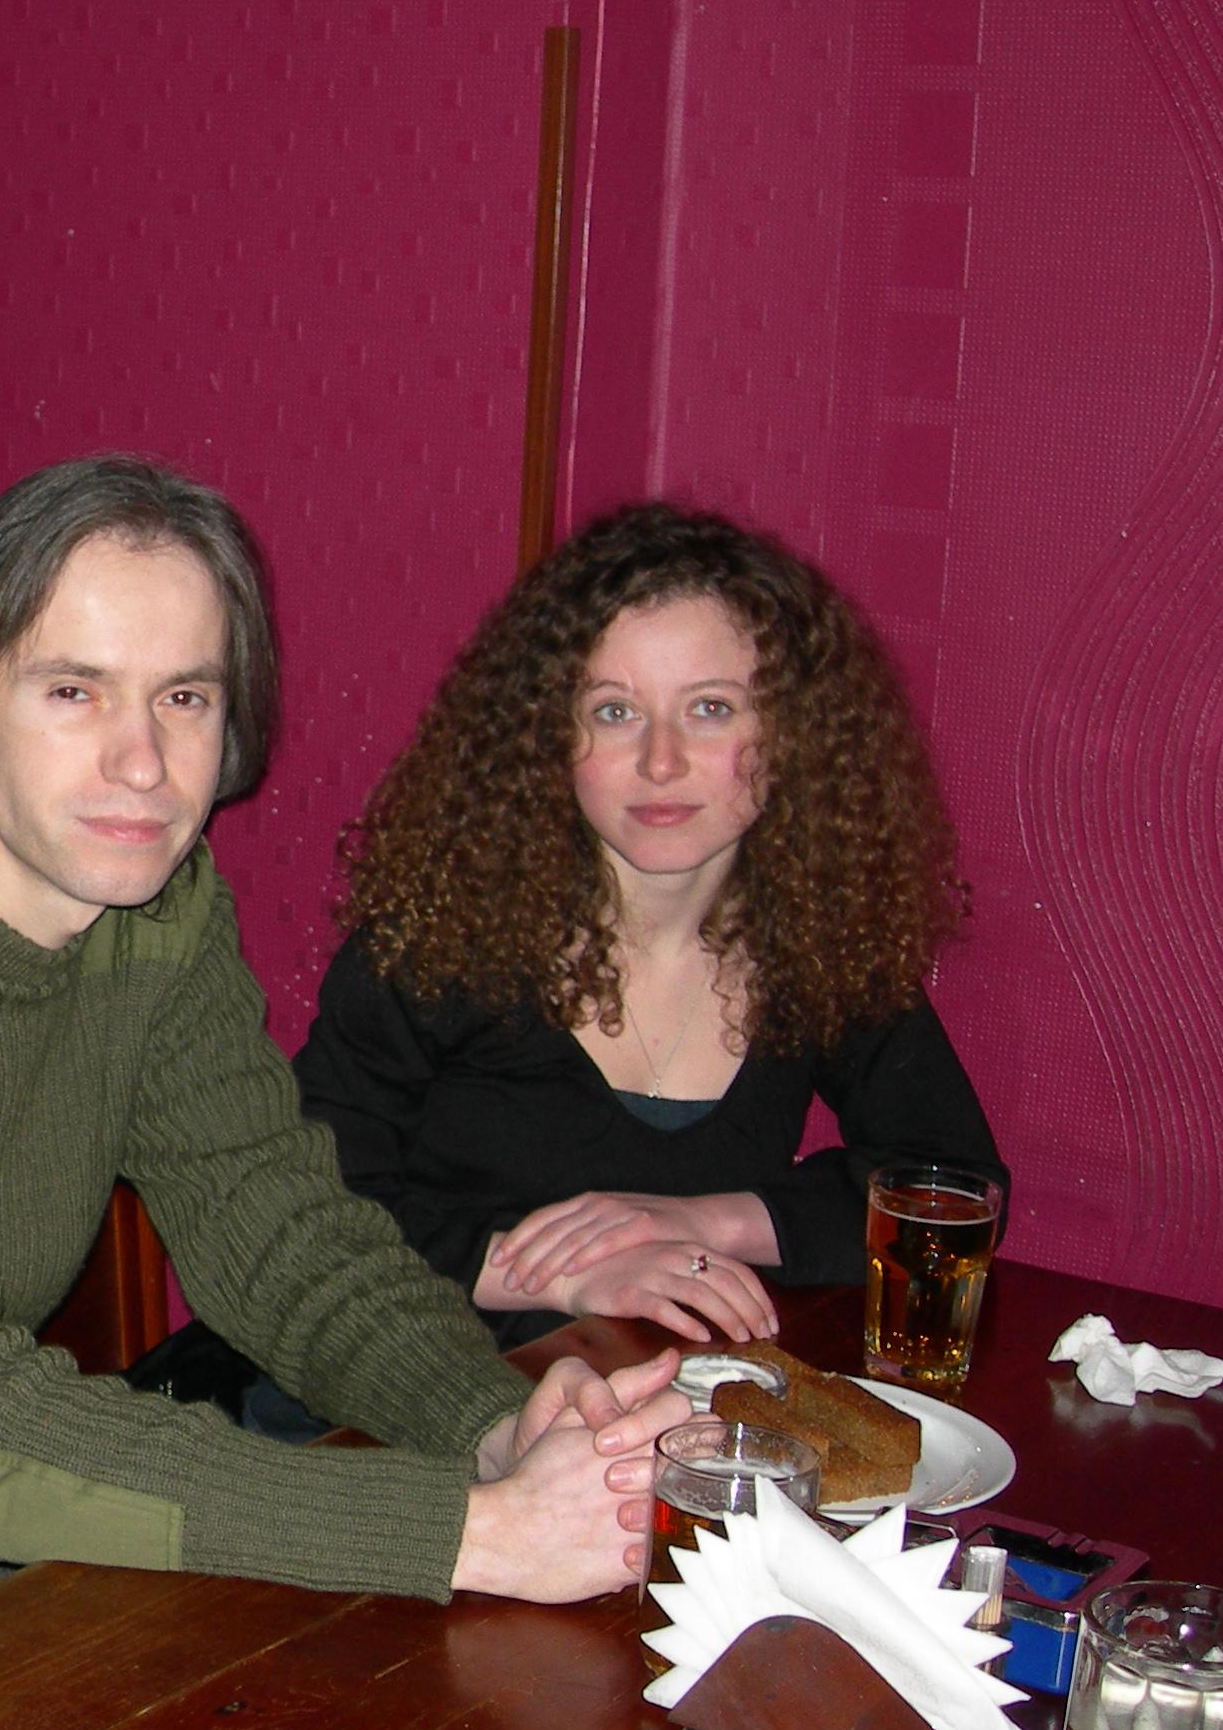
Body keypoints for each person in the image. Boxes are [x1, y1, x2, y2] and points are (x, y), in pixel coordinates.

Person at [0, 456, 686, 1680]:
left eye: (185, 697)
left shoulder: (154, 914)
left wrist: (492, 1423)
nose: (143, 762)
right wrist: (467, 1531)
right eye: (74, 691)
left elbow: (283, 1242)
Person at [291, 500, 998, 1366]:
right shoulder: (433, 946)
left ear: (792, 736)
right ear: (547, 736)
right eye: (615, 712)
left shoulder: (819, 948)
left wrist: (700, 1223)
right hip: (398, 1391)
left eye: (711, 708)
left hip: (656, 1406)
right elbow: (305, 1215)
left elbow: (949, 1190)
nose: (662, 762)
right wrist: (563, 1275)